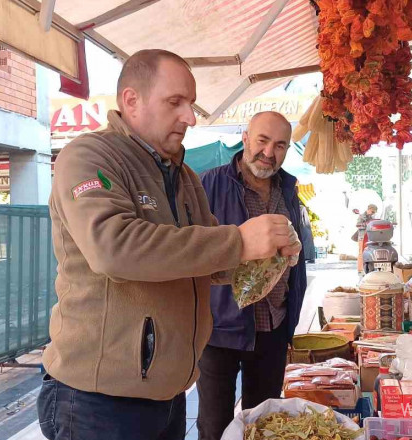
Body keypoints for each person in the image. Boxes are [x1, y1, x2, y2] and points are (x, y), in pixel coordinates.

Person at [38, 50, 301, 440]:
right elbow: (114, 248)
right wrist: (239, 239)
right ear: (131, 100)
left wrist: (268, 255)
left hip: (169, 392)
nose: (190, 117)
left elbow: (210, 261)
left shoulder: (184, 176)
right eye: (175, 102)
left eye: (191, 104)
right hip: (99, 401)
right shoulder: (90, 156)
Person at [196, 111, 308, 440]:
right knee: (215, 425)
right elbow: (193, 248)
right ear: (245, 138)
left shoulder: (288, 189)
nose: (269, 153)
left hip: (273, 325)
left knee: (266, 424)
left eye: (280, 145)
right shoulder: (208, 185)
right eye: (262, 141)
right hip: (220, 329)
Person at [357, 204, 377, 274]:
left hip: (370, 237)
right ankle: (360, 270)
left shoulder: (372, 217)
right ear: (369, 209)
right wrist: (367, 224)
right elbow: (358, 225)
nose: (373, 213)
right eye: (372, 211)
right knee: (361, 253)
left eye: (374, 212)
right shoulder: (361, 216)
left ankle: (368, 268)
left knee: (369, 252)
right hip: (362, 237)